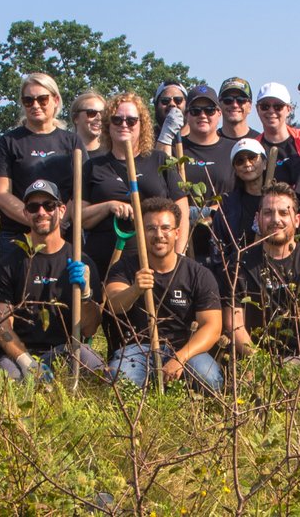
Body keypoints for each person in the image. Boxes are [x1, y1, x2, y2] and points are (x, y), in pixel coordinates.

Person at [0, 179, 105, 381]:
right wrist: (27, 362)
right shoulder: (10, 264)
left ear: (61, 210)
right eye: (33, 207)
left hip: (66, 350)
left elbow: (90, 328)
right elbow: (2, 328)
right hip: (19, 353)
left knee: (101, 374)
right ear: (26, 214)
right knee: (7, 382)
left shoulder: (82, 261)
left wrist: (85, 296)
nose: (41, 212)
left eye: (49, 206)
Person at [106, 198, 223, 392]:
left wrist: (180, 358)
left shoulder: (198, 274)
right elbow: (113, 304)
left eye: (165, 228)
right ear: (141, 233)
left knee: (211, 380)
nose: (159, 235)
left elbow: (212, 327)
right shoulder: (125, 268)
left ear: (177, 233)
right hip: (138, 349)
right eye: (151, 228)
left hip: (185, 349)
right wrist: (135, 289)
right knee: (122, 386)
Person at [82, 92, 189, 282]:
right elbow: (80, 218)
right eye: (117, 120)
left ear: (142, 125)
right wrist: (109, 206)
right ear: (108, 124)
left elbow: (182, 211)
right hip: (104, 260)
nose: (124, 124)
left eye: (131, 120)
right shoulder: (93, 166)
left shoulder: (160, 160)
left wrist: (177, 259)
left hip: (153, 261)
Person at [0, 73, 87, 260]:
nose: (35, 105)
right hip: (17, 236)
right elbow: (1, 194)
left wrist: (57, 223)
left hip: (64, 235)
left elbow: (80, 192)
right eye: (28, 100)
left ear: (55, 100)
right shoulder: (7, 142)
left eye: (42, 99)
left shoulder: (72, 142)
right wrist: (37, 220)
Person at [221, 182, 300, 359]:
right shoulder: (239, 264)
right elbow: (235, 325)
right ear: (257, 219)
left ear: (296, 220)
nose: (275, 220)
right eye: (268, 213)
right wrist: (260, 364)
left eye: (284, 213)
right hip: (254, 360)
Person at [181, 85, 236, 264]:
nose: (203, 115)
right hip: (186, 246)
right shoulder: (177, 150)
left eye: (209, 110)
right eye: (196, 111)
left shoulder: (233, 150)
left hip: (225, 245)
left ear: (219, 113)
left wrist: (217, 212)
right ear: (187, 114)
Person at [210, 139, 267, 277]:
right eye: (240, 161)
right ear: (235, 169)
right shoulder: (227, 205)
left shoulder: (279, 200)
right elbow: (219, 252)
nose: (247, 164)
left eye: (252, 157)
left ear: (264, 163)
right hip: (240, 277)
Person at [255, 82, 298, 185]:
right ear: (257, 109)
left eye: (278, 106)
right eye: (265, 106)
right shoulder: (253, 148)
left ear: (288, 110)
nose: (271, 111)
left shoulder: (298, 139)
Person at [218, 77, 259, 141]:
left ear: (250, 106)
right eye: (228, 100)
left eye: (241, 100)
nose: (235, 105)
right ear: (219, 104)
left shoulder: (260, 142)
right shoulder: (210, 142)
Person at [153, 80, 188, 154]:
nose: (172, 104)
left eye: (178, 100)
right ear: (156, 106)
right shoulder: (146, 139)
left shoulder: (197, 136)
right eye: (165, 101)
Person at [70, 90, 106, 158]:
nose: (99, 118)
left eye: (103, 113)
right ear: (76, 118)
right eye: (91, 112)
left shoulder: (110, 156)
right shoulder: (63, 153)